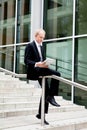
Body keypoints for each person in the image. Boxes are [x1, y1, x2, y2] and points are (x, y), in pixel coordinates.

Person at [24, 28, 61, 125]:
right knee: (56, 75)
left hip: (42, 70)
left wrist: (45, 63)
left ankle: (41, 114)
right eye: (40, 37)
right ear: (36, 36)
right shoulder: (30, 46)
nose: (42, 39)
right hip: (35, 71)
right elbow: (26, 61)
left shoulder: (41, 46)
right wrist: (37, 64)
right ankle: (51, 97)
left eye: (43, 38)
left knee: (47, 90)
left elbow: (43, 59)